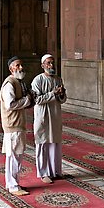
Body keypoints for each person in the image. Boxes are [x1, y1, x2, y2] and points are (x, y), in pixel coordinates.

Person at [0, 56, 33, 196]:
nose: (20, 68)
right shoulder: (9, 84)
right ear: (11, 68)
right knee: (14, 156)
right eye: (17, 65)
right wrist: (27, 100)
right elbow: (10, 105)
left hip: (17, 124)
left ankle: (12, 183)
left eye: (21, 65)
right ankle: (13, 186)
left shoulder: (17, 82)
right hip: (13, 124)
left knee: (16, 155)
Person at [31, 53, 67, 184]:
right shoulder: (37, 80)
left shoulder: (58, 79)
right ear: (42, 65)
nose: (51, 66)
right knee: (43, 143)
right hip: (43, 116)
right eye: (48, 63)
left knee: (55, 144)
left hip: (55, 115)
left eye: (52, 63)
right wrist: (53, 94)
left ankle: (55, 171)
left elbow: (62, 100)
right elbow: (37, 99)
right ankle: (43, 172)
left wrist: (61, 94)